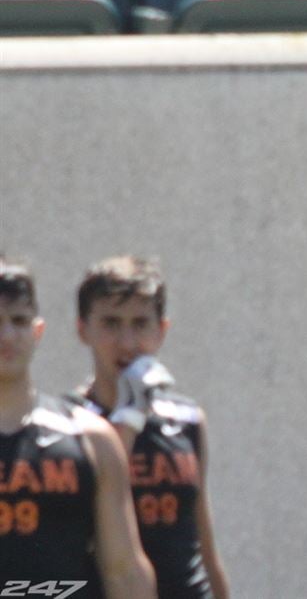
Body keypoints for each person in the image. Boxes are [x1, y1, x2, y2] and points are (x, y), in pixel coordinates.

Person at [69, 255, 229, 599]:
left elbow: (204, 544)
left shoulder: (186, 419)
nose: (127, 342)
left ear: (161, 330)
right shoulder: (67, 422)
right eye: (111, 323)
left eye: (140, 323)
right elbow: (87, 513)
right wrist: (129, 416)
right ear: (83, 329)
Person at [0, 256, 156, 599]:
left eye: (18, 320)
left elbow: (125, 570)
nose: (7, 334)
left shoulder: (92, 439)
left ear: (37, 330)